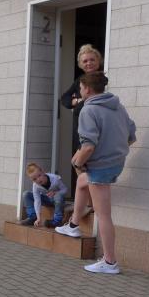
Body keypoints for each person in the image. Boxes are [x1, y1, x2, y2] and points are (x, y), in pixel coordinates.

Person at [56, 71, 136, 274]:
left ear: (88, 89)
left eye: (80, 88)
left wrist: (77, 162)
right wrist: (114, 152)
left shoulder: (88, 110)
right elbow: (131, 136)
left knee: (103, 215)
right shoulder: (118, 106)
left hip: (100, 168)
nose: (79, 91)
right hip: (115, 163)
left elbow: (88, 146)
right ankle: (73, 225)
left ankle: (110, 262)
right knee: (82, 182)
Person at [60, 45, 105, 189]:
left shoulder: (102, 80)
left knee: (87, 171)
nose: (89, 63)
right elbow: (64, 99)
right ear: (80, 64)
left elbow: (97, 101)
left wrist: (79, 100)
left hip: (93, 134)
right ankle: (87, 200)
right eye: (85, 61)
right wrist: (77, 100)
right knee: (80, 171)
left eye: (92, 59)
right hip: (79, 132)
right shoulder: (80, 79)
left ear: (98, 61)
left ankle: (92, 201)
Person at [21, 163, 67, 228]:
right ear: (32, 180)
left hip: (57, 200)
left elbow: (65, 189)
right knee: (26, 194)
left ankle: (57, 221)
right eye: (34, 179)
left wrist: (56, 192)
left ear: (43, 172)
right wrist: (38, 218)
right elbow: (37, 200)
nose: (38, 179)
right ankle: (33, 217)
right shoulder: (35, 185)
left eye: (39, 175)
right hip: (46, 200)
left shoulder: (55, 179)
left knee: (58, 196)